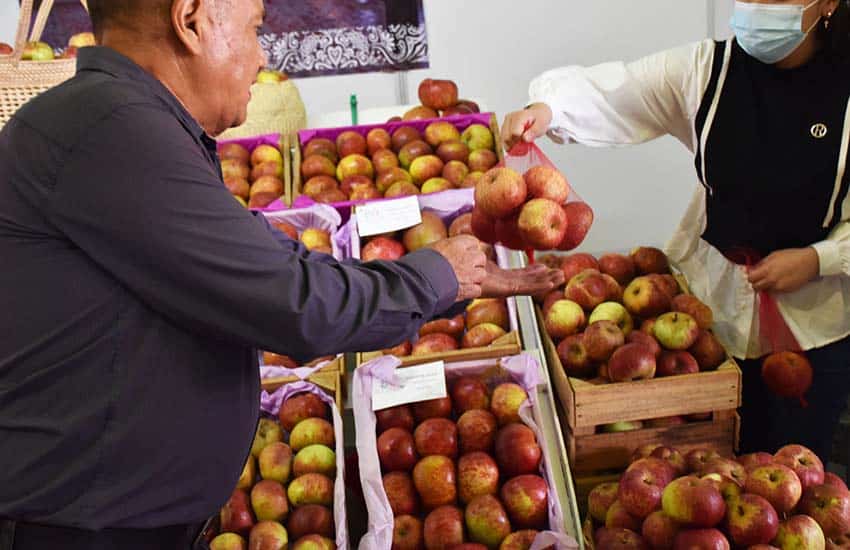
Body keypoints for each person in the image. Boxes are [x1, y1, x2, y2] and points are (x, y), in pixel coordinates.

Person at [0, 0, 564, 548]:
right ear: (192, 20)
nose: (262, 55)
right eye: (253, 28)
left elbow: (270, 265)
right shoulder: (109, 130)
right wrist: (432, 278)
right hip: (78, 529)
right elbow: (294, 302)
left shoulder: (116, 121)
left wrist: (445, 282)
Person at [504, 0, 850, 464]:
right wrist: (548, 110)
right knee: (708, 473)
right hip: (710, 314)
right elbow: (620, 90)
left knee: (795, 471)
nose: (759, 7)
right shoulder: (709, 69)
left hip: (814, 326)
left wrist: (819, 259)